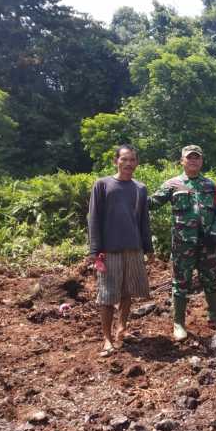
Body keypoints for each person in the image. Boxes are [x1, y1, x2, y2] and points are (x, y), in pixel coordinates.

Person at [149, 145, 216, 342]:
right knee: (181, 283)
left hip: (207, 243)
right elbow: (151, 203)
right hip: (183, 244)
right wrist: (132, 192)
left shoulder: (211, 185)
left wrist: (215, 232)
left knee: (210, 279)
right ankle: (179, 323)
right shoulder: (172, 185)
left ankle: (215, 315)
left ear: (201, 161)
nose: (193, 161)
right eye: (189, 158)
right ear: (182, 161)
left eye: (197, 158)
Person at [88, 144, 152, 357]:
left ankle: (121, 327)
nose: (128, 163)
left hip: (133, 248)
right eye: (124, 159)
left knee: (127, 291)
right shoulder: (102, 185)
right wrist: (95, 250)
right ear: (116, 161)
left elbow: (144, 221)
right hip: (110, 250)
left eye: (132, 160)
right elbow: (94, 219)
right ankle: (106, 338)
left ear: (137, 163)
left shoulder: (140, 188)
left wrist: (148, 247)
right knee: (106, 295)